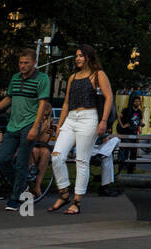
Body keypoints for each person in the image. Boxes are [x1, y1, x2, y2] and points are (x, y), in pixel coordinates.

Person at [0, 49, 51, 212]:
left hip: (29, 125)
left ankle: (15, 198)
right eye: (20, 63)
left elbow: (43, 103)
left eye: (26, 63)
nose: (23, 66)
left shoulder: (42, 79)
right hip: (13, 125)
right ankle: (22, 185)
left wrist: (35, 127)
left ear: (34, 63)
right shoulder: (15, 78)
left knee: (22, 162)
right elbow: (8, 98)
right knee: (3, 159)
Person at [48, 45, 114, 216]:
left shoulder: (98, 74)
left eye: (81, 56)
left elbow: (109, 97)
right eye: (76, 56)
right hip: (71, 118)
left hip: (89, 117)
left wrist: (104, 121)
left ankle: (77, 201)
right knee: (56, 156)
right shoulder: (73, 77)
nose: (77, 59)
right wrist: (59, 125)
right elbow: (66, 103)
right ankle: (64, 193)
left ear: (89, 57)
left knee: (82, 160)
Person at [116, 94, 143, 172]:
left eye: (139, 101)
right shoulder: (126, 110)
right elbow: (119, 117)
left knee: (133, 150)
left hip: (133, 132)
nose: (137, 103)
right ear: (133, 102)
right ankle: (122, 165)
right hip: (125, 132)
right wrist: (122, 125)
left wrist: (141, 125)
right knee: (125, 148)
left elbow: (140, 121)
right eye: (136, 101)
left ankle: (131, 167)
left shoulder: (139, 112)